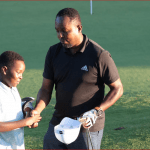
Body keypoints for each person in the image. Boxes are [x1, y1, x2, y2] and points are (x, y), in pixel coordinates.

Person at [31, 8, 123, 149]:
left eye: (65, 31)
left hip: (86, 127)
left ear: (79, 28)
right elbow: (45, 89)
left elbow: (117, 88)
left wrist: (97, 111)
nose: (59, 35)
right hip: (59, 122)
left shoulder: (99, 55)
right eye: (57, 31)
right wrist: (36, 110)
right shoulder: (53, 53)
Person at [0, 51, 42, 149]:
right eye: (18, 72)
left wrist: (28, 112)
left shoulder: (12, 88)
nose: (21, 77)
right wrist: (26, 122)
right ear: (5, 70)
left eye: (22, 73)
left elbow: (12, 109)